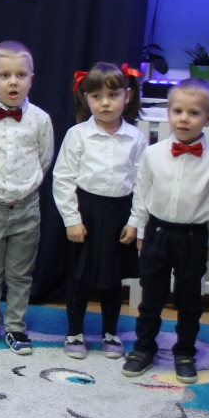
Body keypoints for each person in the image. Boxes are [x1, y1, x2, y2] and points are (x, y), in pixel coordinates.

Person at [123, 79, 209, 384]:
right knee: (151, 298)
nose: (184, 119)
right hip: (157, 233)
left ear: (207, 118)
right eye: (178, 111)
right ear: (168, 113)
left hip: (193, 238)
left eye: (193, 113)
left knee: (189, 300)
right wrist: (139, 230)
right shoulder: (152, 154)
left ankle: (184, 353)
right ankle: (144, 348)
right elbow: (142, 194)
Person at [0, 41, 54, 356]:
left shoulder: (40, 120)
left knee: (19, 273)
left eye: (20, 75)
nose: (13, 82)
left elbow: (44, 159)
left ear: (31, 79)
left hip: (26, 209)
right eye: (5, 75)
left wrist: (24, 189)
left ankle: (15, 326)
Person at [53, 62, 145, 360]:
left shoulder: (136, 138)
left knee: (113, 279)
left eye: (113, 95)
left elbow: (143, 184)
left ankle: (110, 332)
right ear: (86, 98)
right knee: (79, 277)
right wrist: (71, 219)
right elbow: (63, 178)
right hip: (85, 213)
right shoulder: (77, 134)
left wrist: (135, 222)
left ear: (127, 96)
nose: (105, 103)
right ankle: (74, 332)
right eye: (97, 96)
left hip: (119, 214)